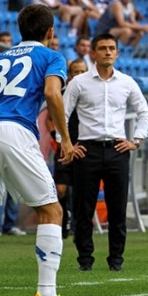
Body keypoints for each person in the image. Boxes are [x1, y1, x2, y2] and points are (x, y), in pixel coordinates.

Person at [0, 4, 75, 296]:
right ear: (50, 32)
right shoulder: (51, 56)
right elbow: (53, 94)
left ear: (20, 30)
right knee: (51, 209)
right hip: (15, 130)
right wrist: (65, 139)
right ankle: (46, 295)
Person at [63, 32, 148, 272]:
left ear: (118, 52)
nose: (108, 52)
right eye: (102, 48)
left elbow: (144, 112)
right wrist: (68, 143)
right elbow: (62, 113)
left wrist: (136, 140)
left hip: (117, 149)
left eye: (112, 48)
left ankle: (116, 260)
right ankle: (85, 260)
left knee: (118, 208)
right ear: (93, 53)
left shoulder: (127, 82)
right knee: (84, 208)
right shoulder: (79, 83)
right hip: (87, 150)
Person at [50, 58, 87, 238]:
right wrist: (59, 138)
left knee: (82, 190)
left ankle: (78, 226)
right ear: (69, 74)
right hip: (65, 146)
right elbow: (50, 118)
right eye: (75, 72)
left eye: (82, 72)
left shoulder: (91, 93)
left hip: (85, 147)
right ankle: (61, 226)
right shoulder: (61, 94)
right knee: (61, 189)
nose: (79, 75)